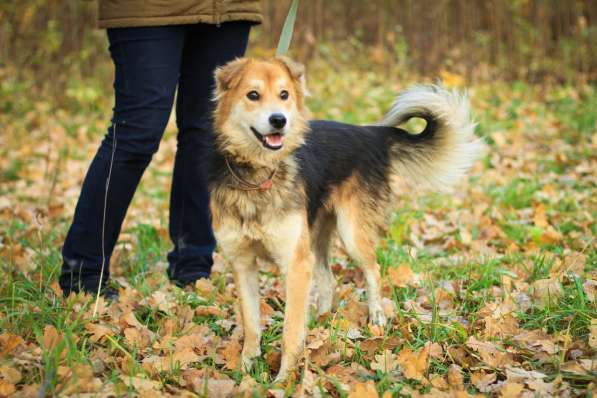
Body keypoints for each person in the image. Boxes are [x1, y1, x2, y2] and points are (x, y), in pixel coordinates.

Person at [59, 1, 262, 299]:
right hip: (150, 9)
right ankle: (82, 273)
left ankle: (193, 267)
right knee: (136, 132)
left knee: (205, 135)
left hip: (227, 8)